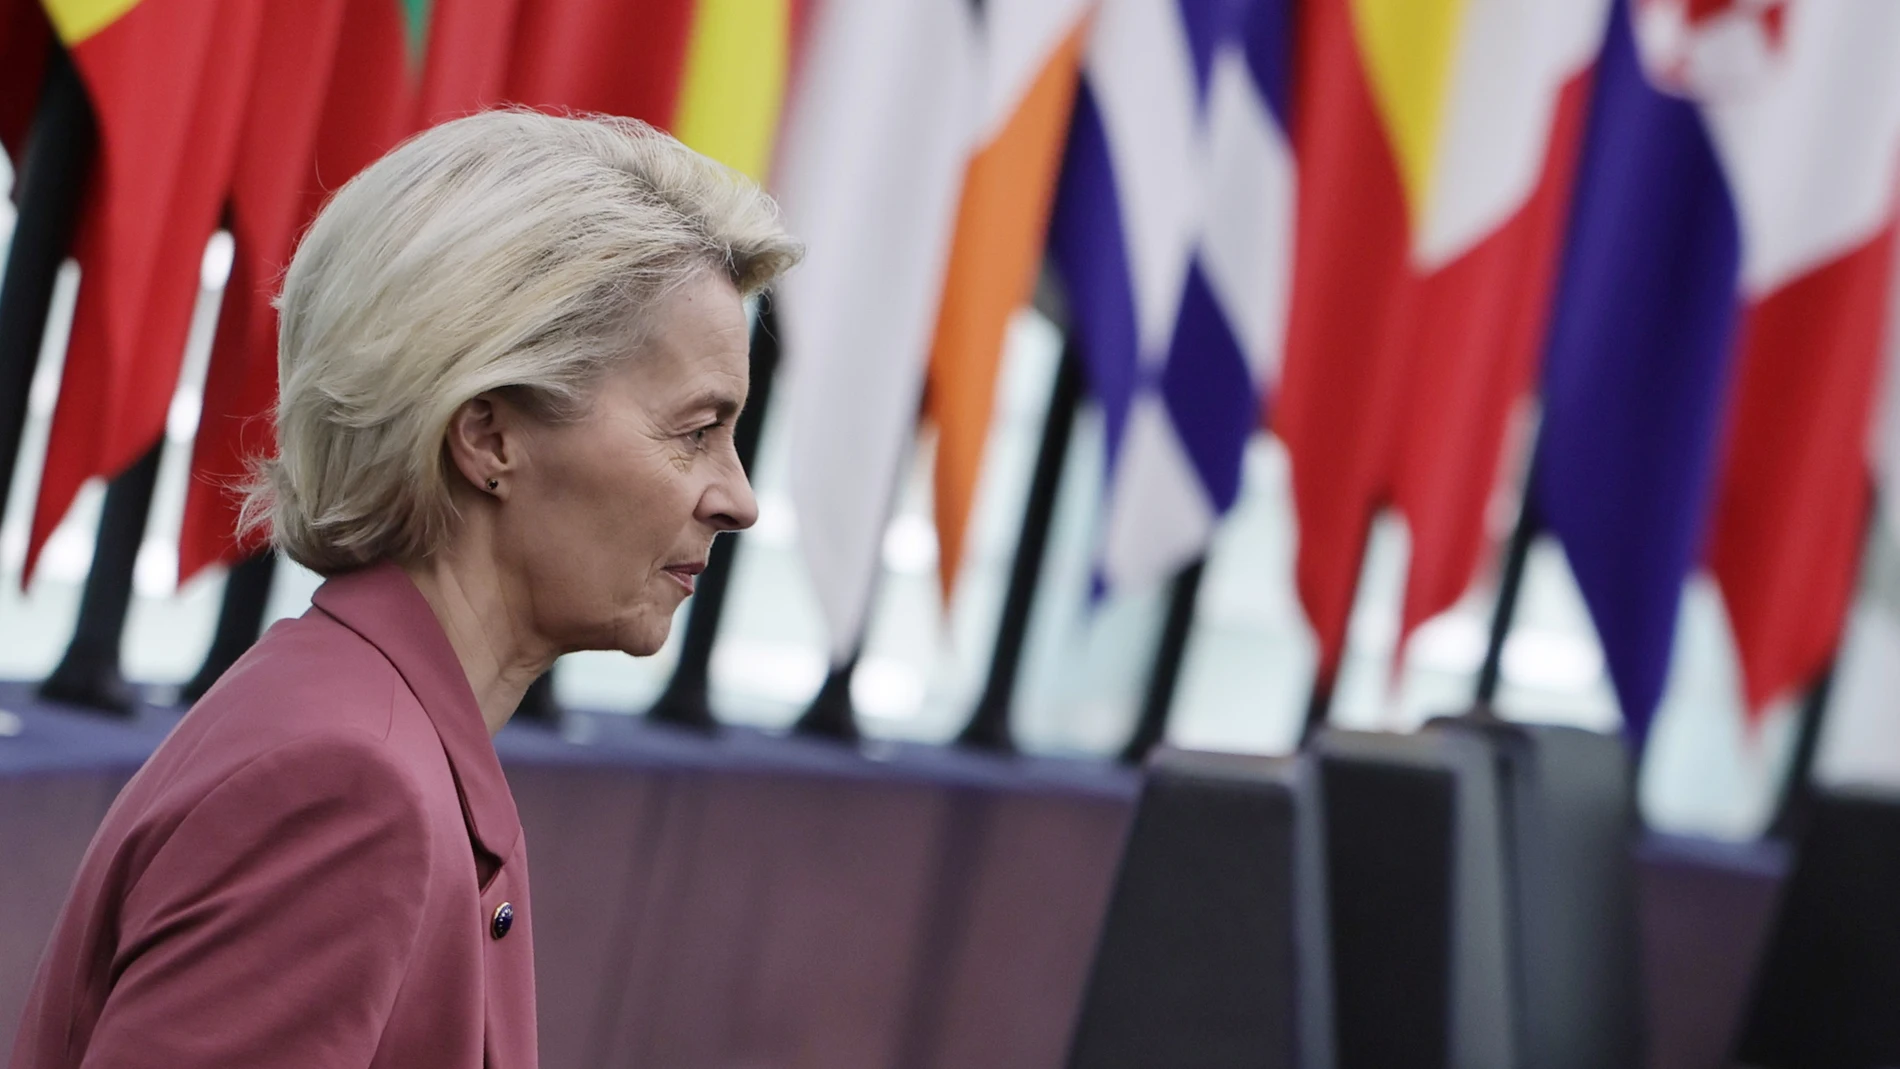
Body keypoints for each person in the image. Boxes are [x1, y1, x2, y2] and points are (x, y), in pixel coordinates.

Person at [8, 109, 801, 1069]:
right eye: (695, 430)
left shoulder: (358, 731)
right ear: (489, 436)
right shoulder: (349, 785)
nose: (740, 499)